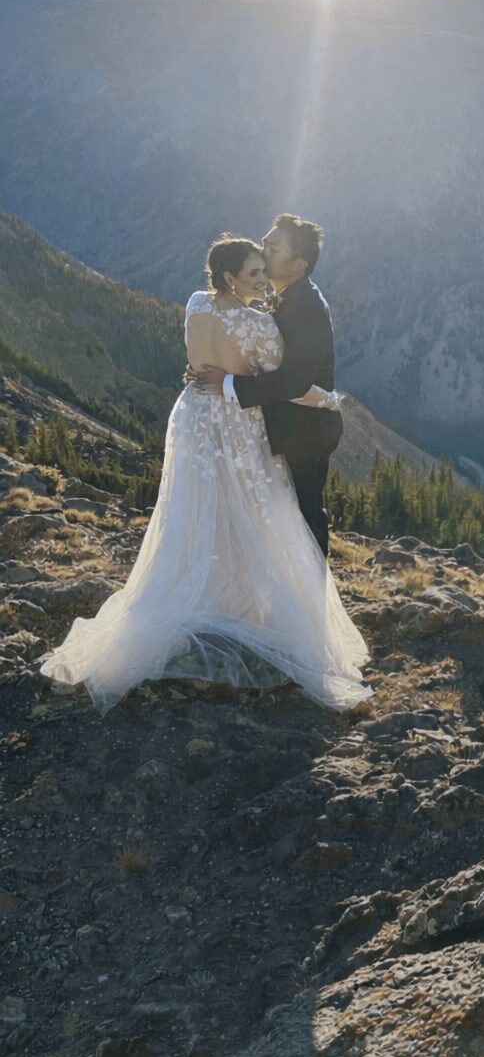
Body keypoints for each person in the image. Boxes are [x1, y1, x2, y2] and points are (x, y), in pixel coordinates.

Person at [40, 238, 372, 716]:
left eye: (264, 270)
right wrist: (330, 400)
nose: (262, 280)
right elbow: (290, 385)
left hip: (194, 419)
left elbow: (203, 356)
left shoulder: (196, 304)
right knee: (255, 509)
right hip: (236, 425)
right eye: (254, 273)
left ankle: (209, 593)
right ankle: (251, 605)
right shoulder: (258, 326)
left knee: (197, 508)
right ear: (231, 278)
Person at [190, 214, 341, 555]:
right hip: (284, 423)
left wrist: (228, 382)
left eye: (274, 248)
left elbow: (295, 380)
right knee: (283, 513)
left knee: (303, 512)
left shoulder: (306, 307)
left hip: (307, 428)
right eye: (265, 243)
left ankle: (311, 584)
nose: (263, 251)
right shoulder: (287, 296)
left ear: (299, 264)